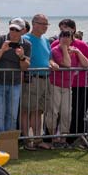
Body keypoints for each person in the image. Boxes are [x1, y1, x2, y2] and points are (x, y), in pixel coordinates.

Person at [0, 17, 31, 135]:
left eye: (17, 30)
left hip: (15, 83)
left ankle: (8, 142)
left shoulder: (26, 44)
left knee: (12, 115)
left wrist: (22, 57)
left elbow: (25, 67)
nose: (13, 32)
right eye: (12, 29)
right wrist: (2, 50)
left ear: (23, 31)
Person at [21, 14, 54, 150]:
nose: (45, 27)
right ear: (34, 24)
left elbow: (49, 58)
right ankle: (26, 140)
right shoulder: (25, 39)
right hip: (32, 79)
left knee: (38, 110)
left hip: (45, 79)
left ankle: (37, 139)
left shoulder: (45, 40)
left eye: (46, 24)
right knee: (26, 110)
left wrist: (53, 64)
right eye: (42, 24)